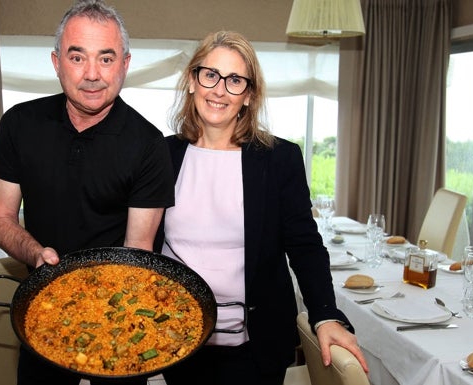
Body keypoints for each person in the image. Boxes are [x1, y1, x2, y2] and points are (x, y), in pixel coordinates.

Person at [154, 31, 369, 385]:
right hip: (178, 337)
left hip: (256, 345)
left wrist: (326, 315)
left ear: (250, 95)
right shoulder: (160, 156)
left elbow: (304, 245)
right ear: (192, 81)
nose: (219, 90)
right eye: (210, 75)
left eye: (235, 80)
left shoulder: (279, 158)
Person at [0, 1, 174, 384]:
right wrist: (35, 254)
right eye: (77, 57)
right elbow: (0, 219)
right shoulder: (18, 124)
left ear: (125, 64)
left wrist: (93, 307)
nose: (92, 74)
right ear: (57, 62)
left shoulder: (149, 145)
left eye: (106, 59)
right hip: (41, 309)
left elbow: (138, 250)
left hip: (120, 316)